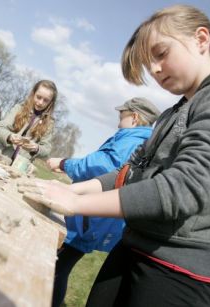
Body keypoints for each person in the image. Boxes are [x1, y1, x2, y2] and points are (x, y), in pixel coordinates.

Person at [18, 5, 210, 307]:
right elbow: (129, 173)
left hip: (180, 267)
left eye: (161, 54)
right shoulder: (175, 111)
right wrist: (68, 190)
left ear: (201, 40)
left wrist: (78, 204)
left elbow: (184, 188)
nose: (155, 70)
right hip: (135, 242)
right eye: (150, 64)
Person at [46, 97, 160, 307]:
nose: (118, 122)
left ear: (134, 117)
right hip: (94, 219)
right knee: (61, 266)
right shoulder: (139, 139)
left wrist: (64, 163)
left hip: (90, 220)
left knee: (56, 269)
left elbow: (101, 165)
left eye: (121, 116)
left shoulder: (131, 140)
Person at [0, 80, 57, 165]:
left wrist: (36, 148)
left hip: (21, 166)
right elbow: (0, 129)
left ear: (51, 102)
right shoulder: (18, 108)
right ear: (33, 94)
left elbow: (46, 149)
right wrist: (10, 136)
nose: (40, 102)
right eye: (38, 97)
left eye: (45, 100)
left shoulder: (49, 123)